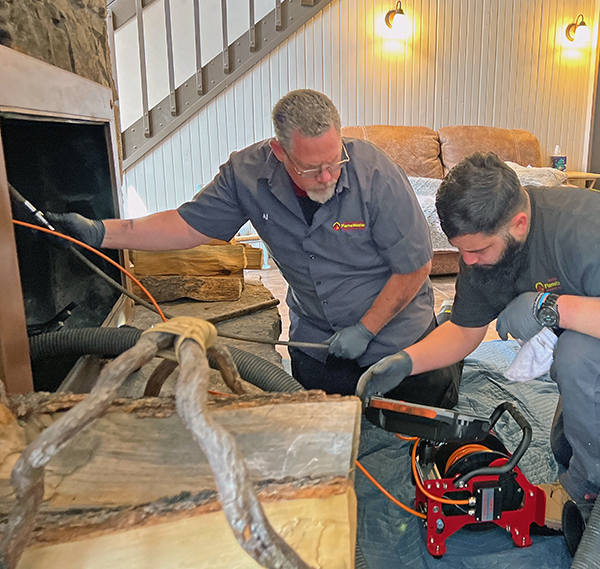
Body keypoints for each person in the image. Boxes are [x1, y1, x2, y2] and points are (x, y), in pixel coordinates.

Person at [48, 88, 462, 405]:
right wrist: (101, 233)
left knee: (422, 433)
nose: (327, 177)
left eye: (334, 162)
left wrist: (367, 328)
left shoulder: (375, 174)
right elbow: (187, 226)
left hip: (399, 345)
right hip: (319, 348)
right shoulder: (245, 176)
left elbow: (415, 266)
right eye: (311, 168)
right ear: (279, 152)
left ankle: (450, 352)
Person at [357, 151, 600, 529]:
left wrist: (549, 308)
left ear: (519, 225)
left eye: (477, 250)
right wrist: (405, 361)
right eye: (461, 251)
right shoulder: (483, 248)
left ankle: (585, 499)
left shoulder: (584, 229)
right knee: (568, 445)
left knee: (576, 357)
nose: (467, 262)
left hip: (586, 340)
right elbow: (464, 329)